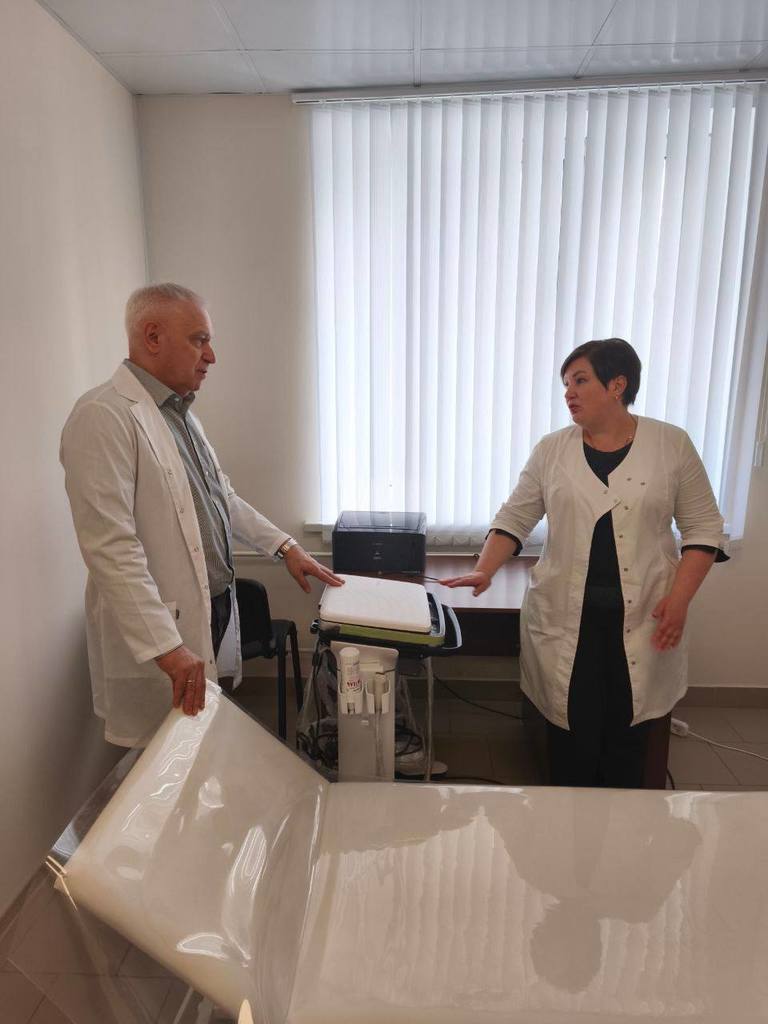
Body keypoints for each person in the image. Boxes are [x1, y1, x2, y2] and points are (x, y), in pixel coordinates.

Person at [61, 283, 342, 747]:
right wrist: (167, 647)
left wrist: (286, 547)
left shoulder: (180, 415)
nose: (211, 356)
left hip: (209, 608)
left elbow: (220, 498)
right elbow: (110, 548)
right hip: (163, 625)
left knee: (194, 744)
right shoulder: (102, 416)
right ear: (153, 337)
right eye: (199, 340)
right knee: (157, 760)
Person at [441, 338, 727, 788]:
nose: (568, 393)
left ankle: (621, 825)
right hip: (566, 618)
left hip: (643, 617)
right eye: (565, 384)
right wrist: (485, 568)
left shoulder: (671, 444)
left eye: (580, 381)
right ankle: (569, 824)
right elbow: (515, 517)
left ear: (617, 385)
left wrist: (679, 600)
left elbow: (704, 529)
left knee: (629, 738)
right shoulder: (552, 449)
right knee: (571, 738)